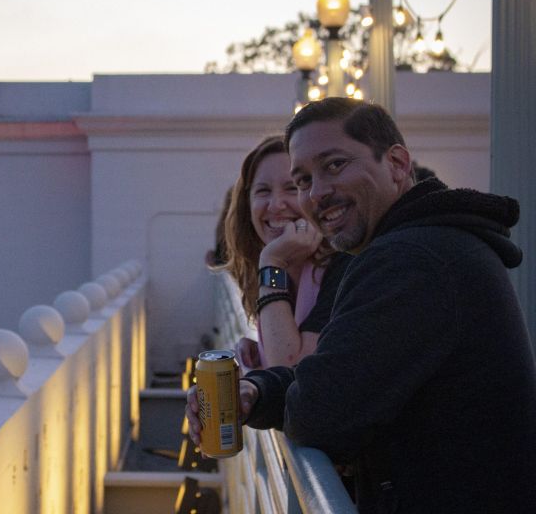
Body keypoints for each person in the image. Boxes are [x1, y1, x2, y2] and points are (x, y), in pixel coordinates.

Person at [188, 98, 536, 512]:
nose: (316, 193)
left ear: (397, 163)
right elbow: (334, 376)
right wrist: (254, 392)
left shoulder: (413, 261)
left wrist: (273, 272)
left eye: (334, 165)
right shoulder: (421, 248)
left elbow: (321, 412)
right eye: (303, 180)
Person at [217, 135, 351, 369]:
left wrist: (272, 262)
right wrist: (261, 349)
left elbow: (290, 369)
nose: (276, 204)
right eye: (263, 191)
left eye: (292, 188)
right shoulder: (281, 275)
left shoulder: (343, 268)